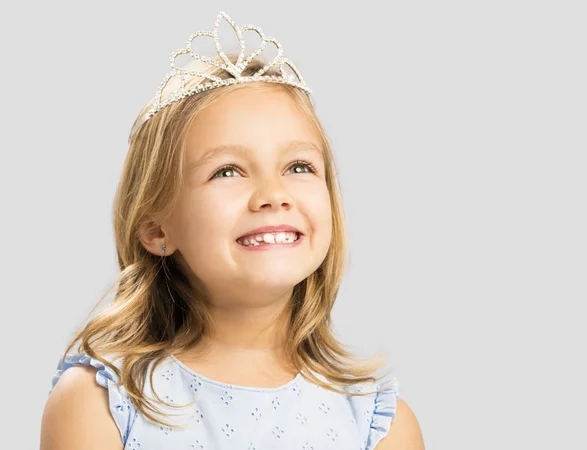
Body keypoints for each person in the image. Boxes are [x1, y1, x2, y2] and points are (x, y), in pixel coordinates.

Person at [40, 10, 425, 450]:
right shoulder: (101, 404)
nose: (273, 195)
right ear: (154, 227)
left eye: (298, 166)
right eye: (228, 171)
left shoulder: (379, 425)